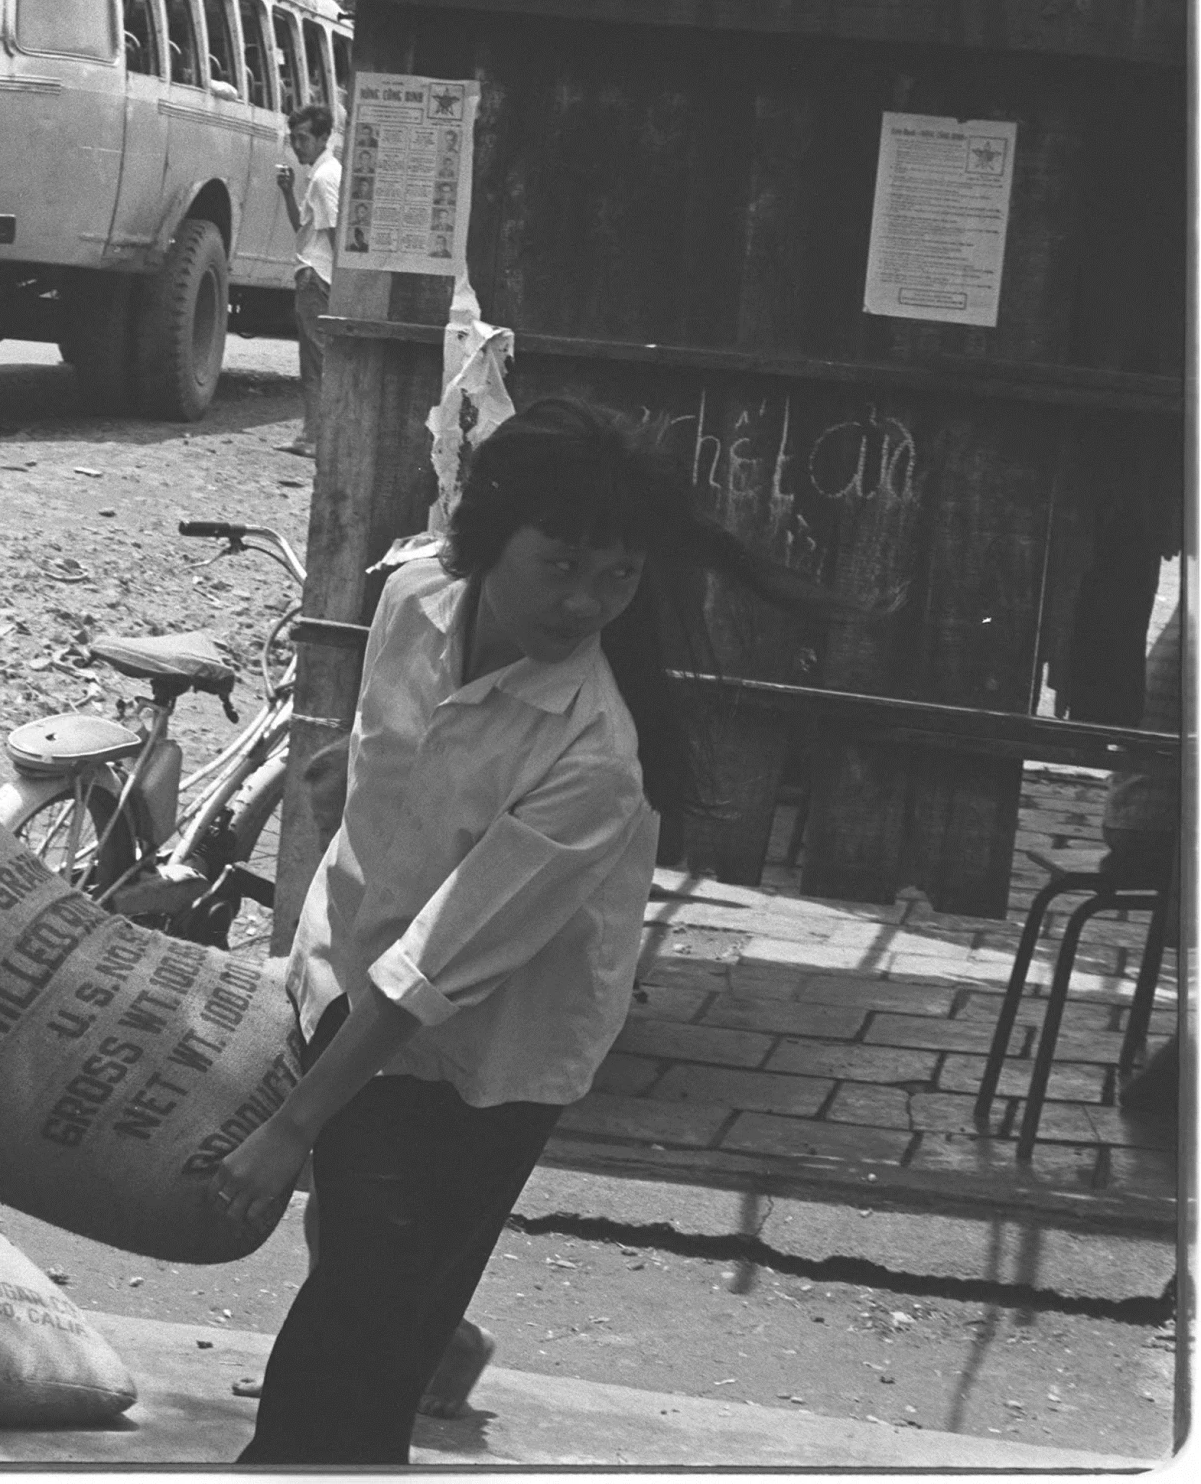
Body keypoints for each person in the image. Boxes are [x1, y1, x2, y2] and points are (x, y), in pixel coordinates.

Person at [217, 399, 868, 1462]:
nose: (587, 601)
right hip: (353, 967)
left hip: (488, 1053)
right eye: (560, 566)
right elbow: (397, 728)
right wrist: (355, 758)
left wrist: (287, 1127)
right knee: (368, 1273)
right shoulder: (417, 592)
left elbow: (435, 970)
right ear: (485, 545)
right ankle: (430, 1339)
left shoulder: (596, 756)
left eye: (617, 576)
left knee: (358, 1335)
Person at [274, 103, 339, 459]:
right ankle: (312, 433)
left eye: (303, 138)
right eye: (293, 139)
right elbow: (303, 229)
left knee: (315, 364)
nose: (298, 146)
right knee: (315, 361)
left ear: (323, 138)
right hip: (316, 274)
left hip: (317, 278)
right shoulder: (319, 175)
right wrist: (288, 192)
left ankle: (313, 437)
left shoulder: (325, 177)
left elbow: (332, 231)